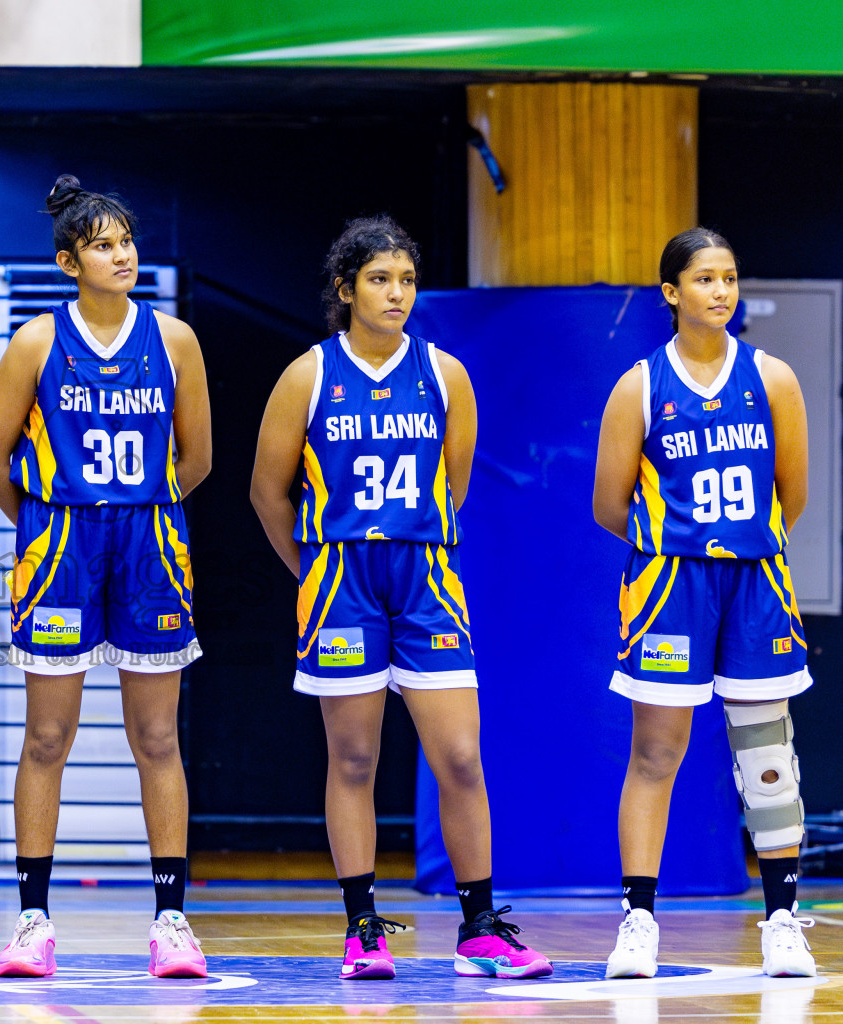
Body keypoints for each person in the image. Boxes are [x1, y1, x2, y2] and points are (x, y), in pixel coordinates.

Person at [249, 216, 552, 981]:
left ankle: (481, 925)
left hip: (426, 581)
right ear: (346, 289)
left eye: (407, 279)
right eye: (380, 279)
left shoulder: (446, 374)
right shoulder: (308, 374)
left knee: (459, 755)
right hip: (340, 580)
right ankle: (362, 930)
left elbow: (454, 484)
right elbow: (266, 492)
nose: (397, 293)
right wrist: (313, 572)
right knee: (353, 757)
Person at [0, 175, 212, 980]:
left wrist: (147, 512)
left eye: (127, 242)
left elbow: (199, 458)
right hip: (60, 541)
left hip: (149, 539)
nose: (122, 255)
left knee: (156, 738)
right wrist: (43, 522)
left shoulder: (173, 340)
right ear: (69, 261)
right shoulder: (37, 341)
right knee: (48, 737)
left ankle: (171, 921)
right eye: (104, 245)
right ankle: (33, 921)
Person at [593, 228, 816, 979]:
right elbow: (607, 504)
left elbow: (794, 495)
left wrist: (740, 542)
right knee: (656, 754)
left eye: (729, 277)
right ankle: (639, 922)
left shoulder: (773, 378)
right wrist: (673, 543)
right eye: (703, 279)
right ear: (671, 292)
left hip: (755, 583)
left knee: (766, 753)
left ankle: (783, 921)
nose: (720, 291)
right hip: (669, 589)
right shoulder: (639, 386)